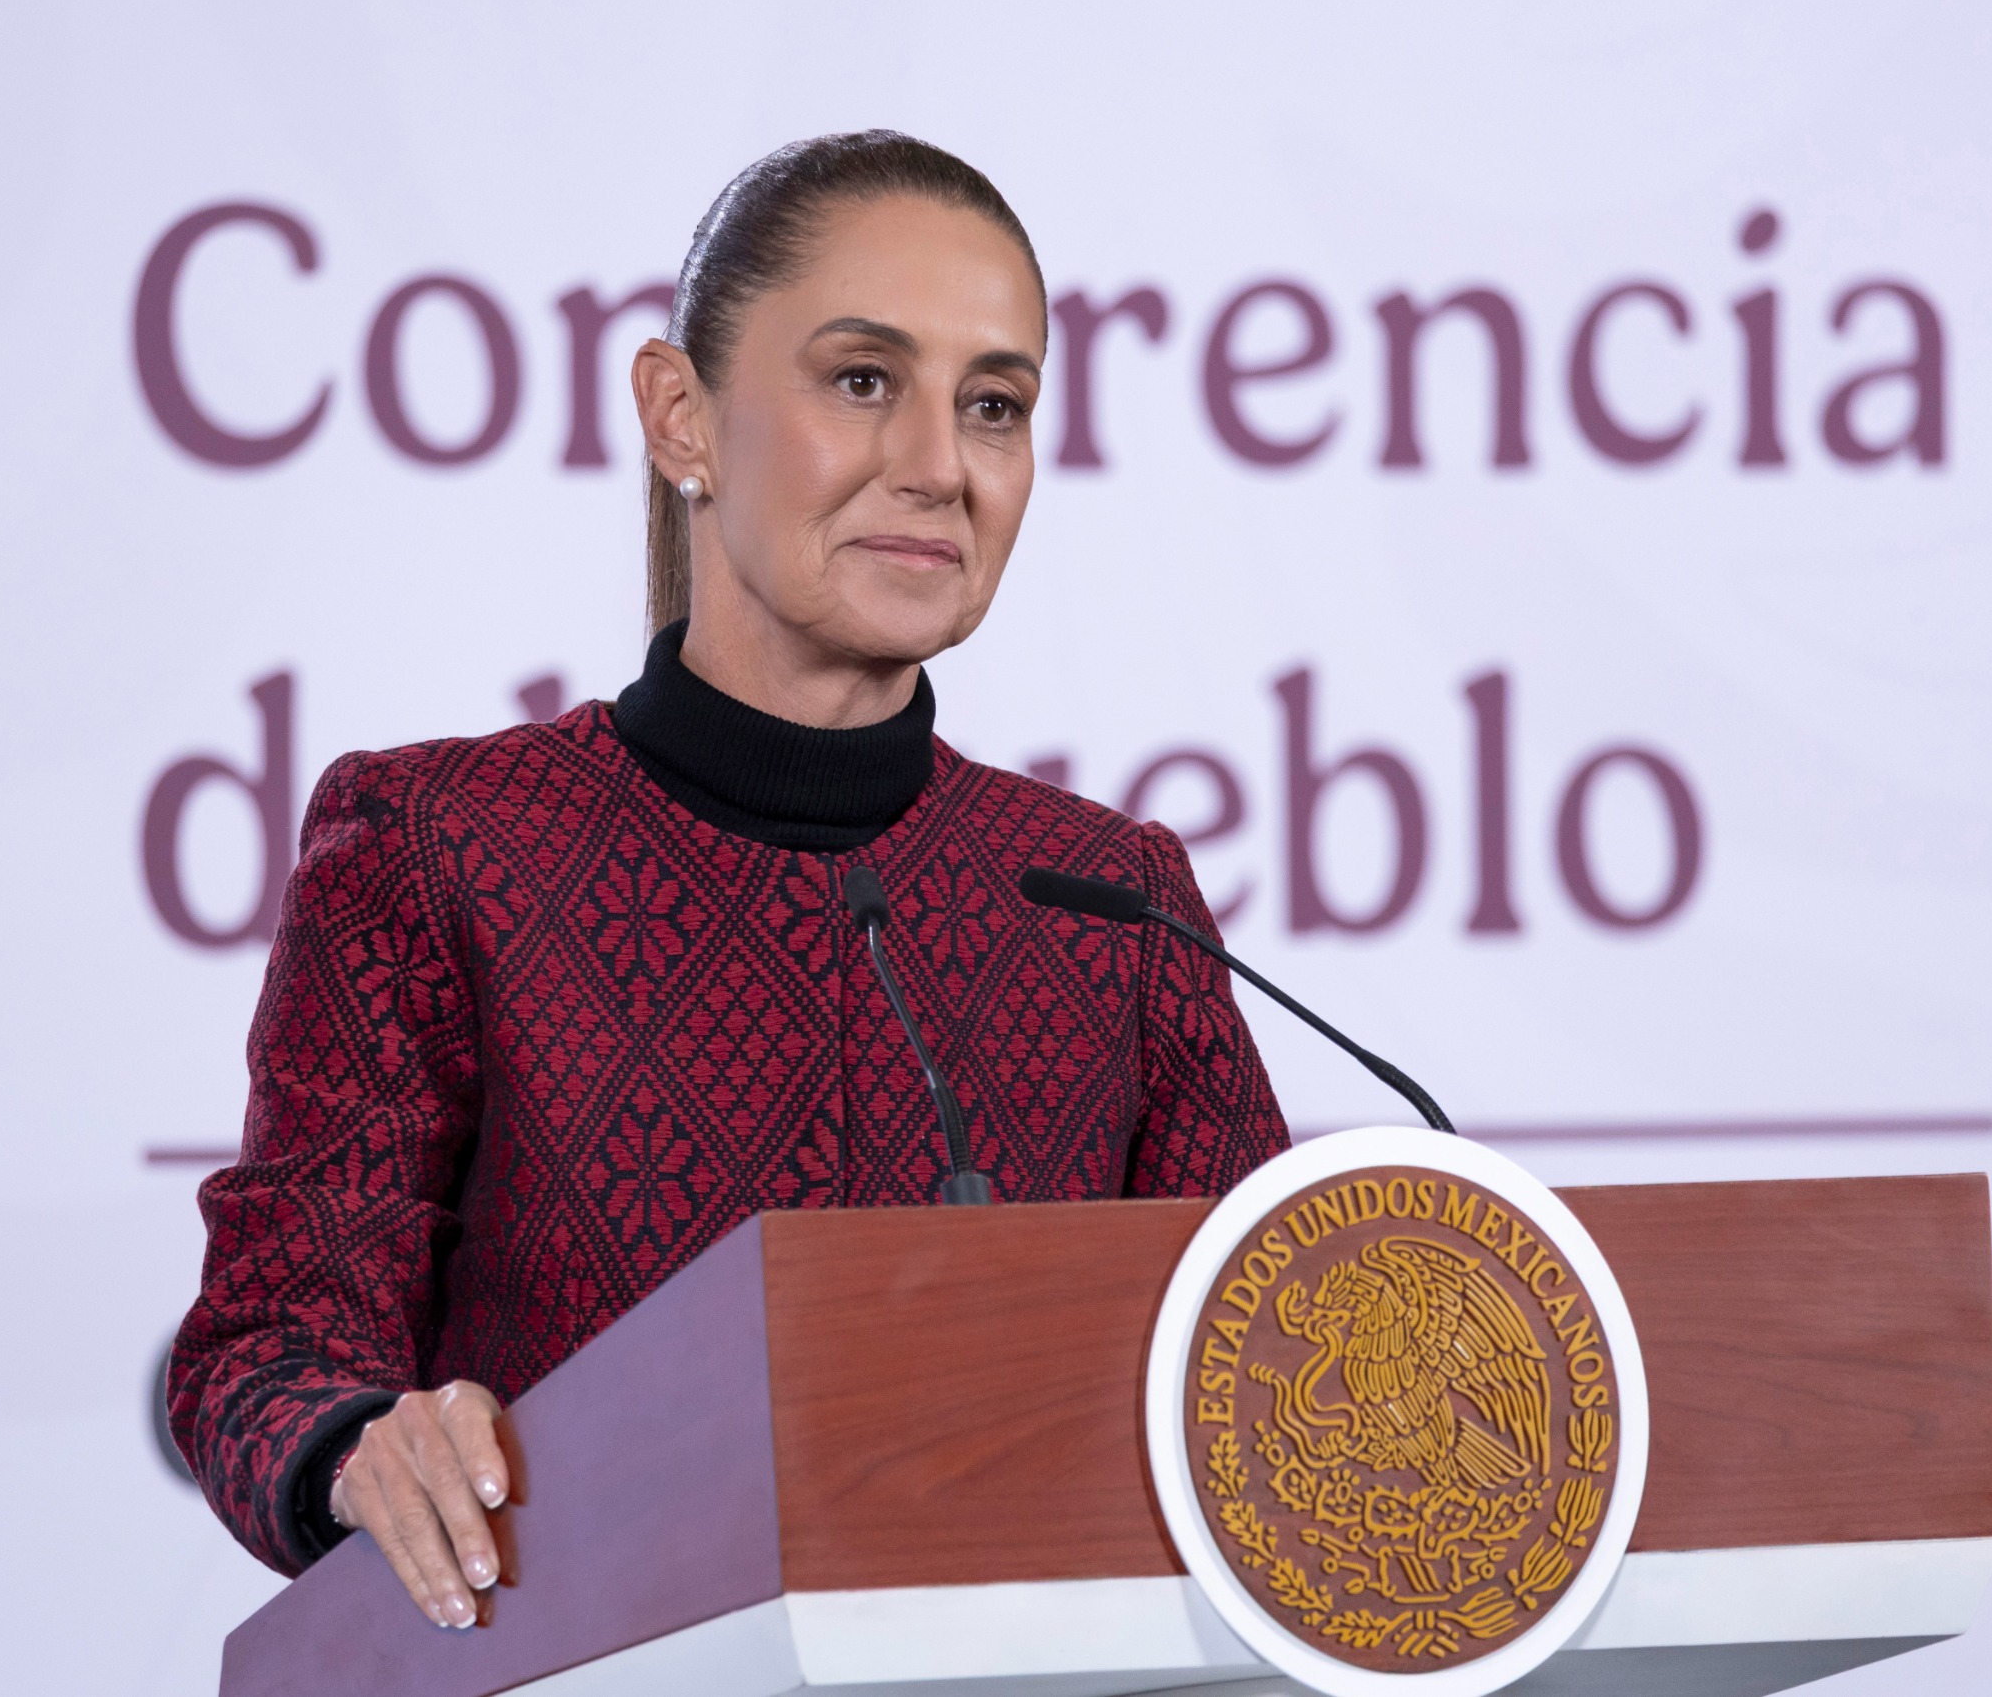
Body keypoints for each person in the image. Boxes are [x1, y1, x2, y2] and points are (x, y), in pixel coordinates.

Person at [167, 130, 1289, 1630]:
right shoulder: (441, 844)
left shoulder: (1110, 903)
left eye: (995, 405)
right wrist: (359, 1446)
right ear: (679, 415)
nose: (939, 467)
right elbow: (265, 1348)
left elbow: (1273, 1376)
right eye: (863, 380)